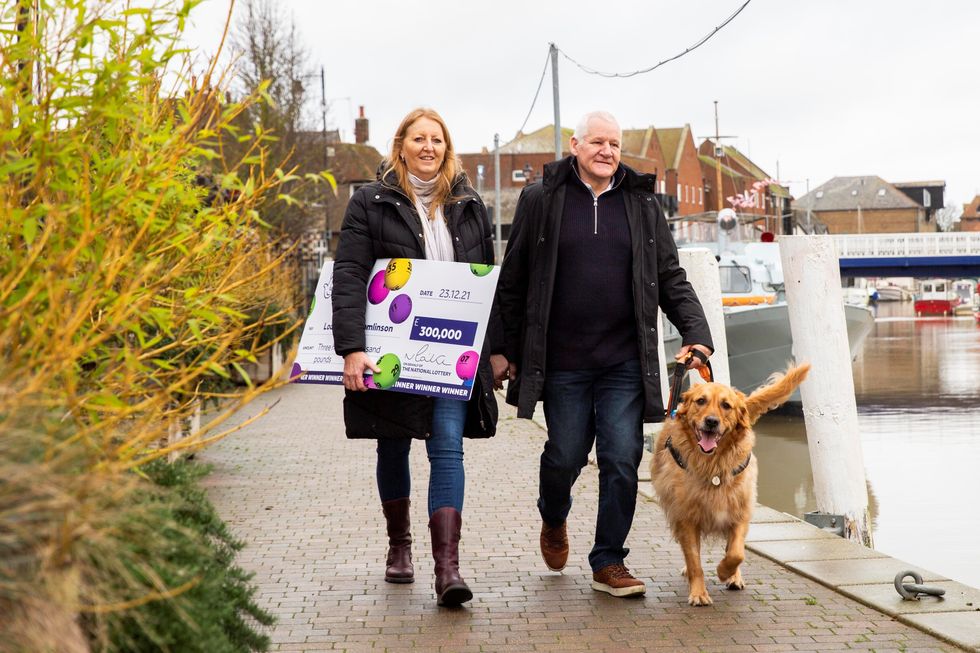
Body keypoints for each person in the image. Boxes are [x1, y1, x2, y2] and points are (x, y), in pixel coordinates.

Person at [496, 110, 714, 598]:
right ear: (575, 146)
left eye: (614, 144)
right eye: (597, 142)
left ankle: (609, 560)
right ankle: (553, 515)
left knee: (621, 458)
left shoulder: (641, 203)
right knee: (565, 455)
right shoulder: (541, 199)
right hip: (563, 362)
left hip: (623, 362)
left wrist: (696, 334)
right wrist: (501, 350)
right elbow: (513, 279)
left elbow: (669, 276)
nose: (607, 151)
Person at [332, 108, 508, 607]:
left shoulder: (468, 204)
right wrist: (352, 349)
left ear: (447, 148)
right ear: (401, 146)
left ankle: (447, 569)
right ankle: (399, 545)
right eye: (419, 139)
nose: (428, 147)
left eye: (437, 139)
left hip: (451, 350)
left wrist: (497, 349)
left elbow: (485, 280)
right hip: (389, 349)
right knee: (393, 445)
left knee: (447, 447)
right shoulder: (371, 202)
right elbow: (349, 274)